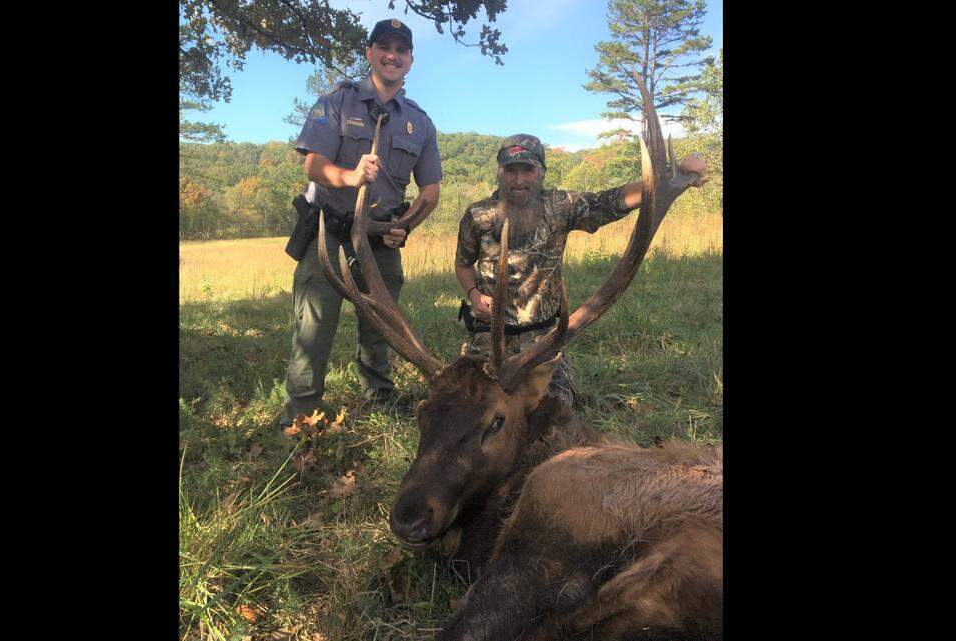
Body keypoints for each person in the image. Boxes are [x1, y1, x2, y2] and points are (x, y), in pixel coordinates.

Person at [454, 134, 706, 407]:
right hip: (489, 336)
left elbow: (611, 201)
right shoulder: (478, 215)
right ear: (499, 172)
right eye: (510, 170)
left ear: (541, 172)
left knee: (556, 410)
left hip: (543, 341)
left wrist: (676, 173)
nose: (518, 180)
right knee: (467, 408)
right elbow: (463, 264)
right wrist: (474, 293)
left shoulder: (560, 206)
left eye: (527, 170)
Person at [277, 18, 442, 428]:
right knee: (313, 326)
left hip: (380, 237)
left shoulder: (420, 122)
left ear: (410, 61)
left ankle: (379, 397)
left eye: (401, 50)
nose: (392, 55)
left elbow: (430, 193)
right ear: (369, 53)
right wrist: (351, 176)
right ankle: (301, 413)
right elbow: (313, 166)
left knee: (383, 324)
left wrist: (406, 225)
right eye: (383, 47)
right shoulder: (337, 101)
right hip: (329, 230)